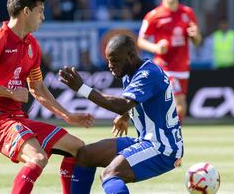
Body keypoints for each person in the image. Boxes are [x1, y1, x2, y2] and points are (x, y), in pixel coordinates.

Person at [0, 0, 94, 194]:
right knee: (38, 158)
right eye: (40, 11)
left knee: (78, 149)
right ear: (26, 11)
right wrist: (10, 92)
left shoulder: (32, 45)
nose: (43, 17)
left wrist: (67, 115)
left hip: (17, 119)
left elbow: (38, 88)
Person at [59, 35, 183, 194]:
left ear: (131, 56)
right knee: (85, 155)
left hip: (162, 148)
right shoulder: (130, 73)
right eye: (108, 60)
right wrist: (125, 116)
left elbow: (122, 104)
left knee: (110, 174)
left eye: (115, 61)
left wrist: (82, 88)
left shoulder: (148, 73)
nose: (110, 65)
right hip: (146, 140)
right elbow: (135, 102)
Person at [137, 0, 202, 122]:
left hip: (182, 67)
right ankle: (171, 139)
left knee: (174, 108)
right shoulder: (153, 15)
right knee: (180, 106)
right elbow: (140, 41)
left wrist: (196, 36)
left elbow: (197, 41)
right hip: (164, 67)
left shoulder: (188, 13)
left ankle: (168, 138)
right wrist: (156, 48)